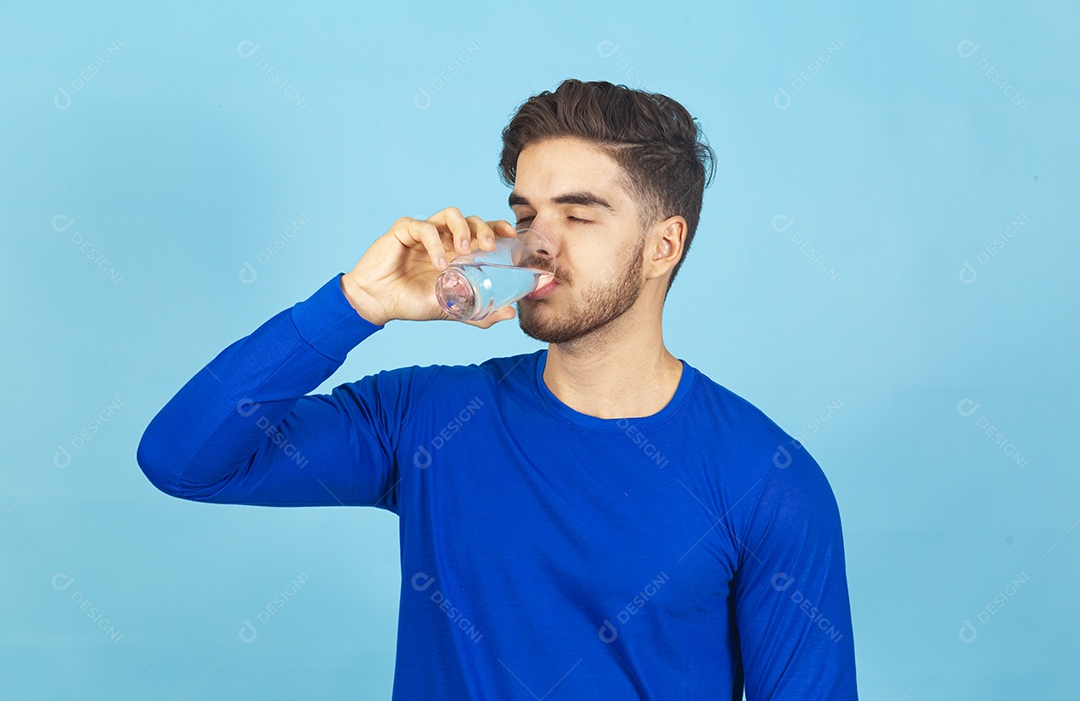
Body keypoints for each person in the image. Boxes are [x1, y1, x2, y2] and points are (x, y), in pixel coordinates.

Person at [137, 78, 858, 699]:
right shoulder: (425, 420)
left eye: (577, 215)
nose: (538, 243)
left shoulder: (768, 481)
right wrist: (357, 302)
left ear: (662, 246)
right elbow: (184, 458)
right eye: (524, 216)